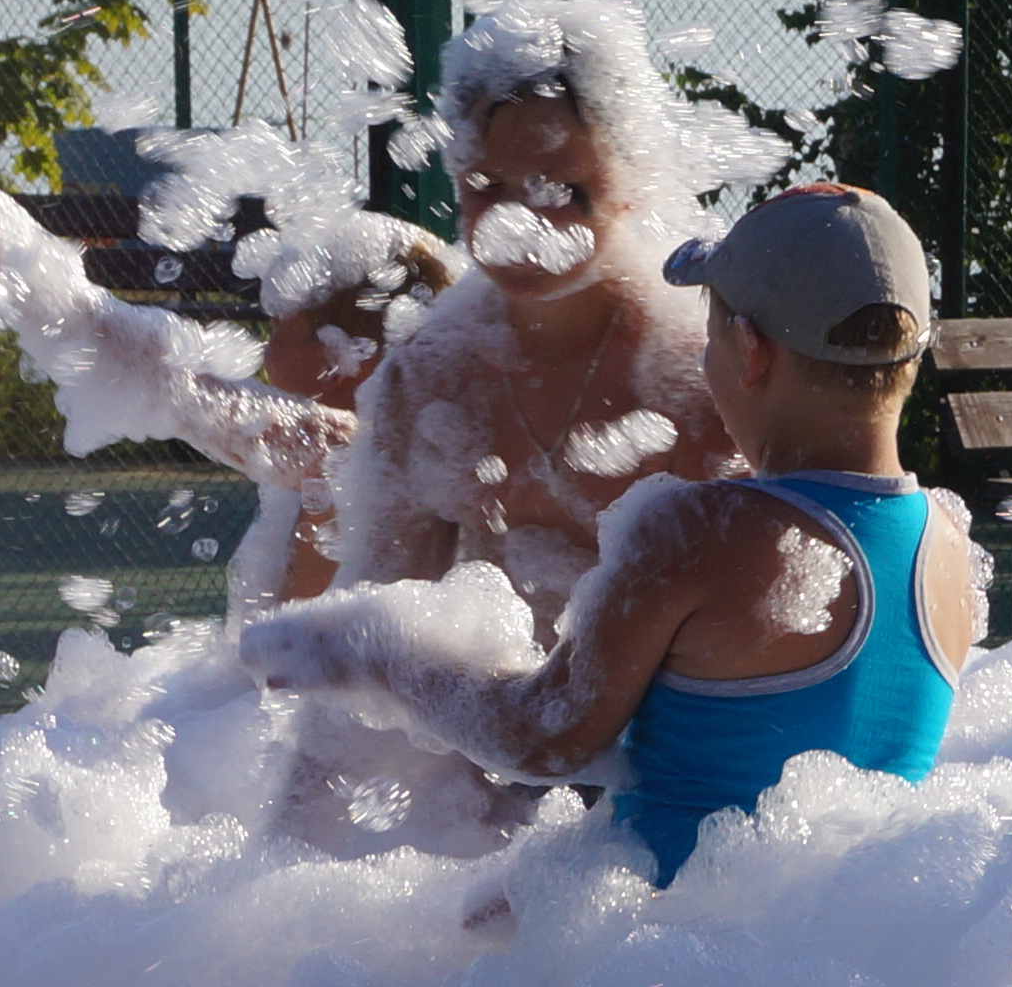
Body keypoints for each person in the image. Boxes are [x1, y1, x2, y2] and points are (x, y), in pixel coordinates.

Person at [241, 187, 974, 882]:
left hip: (648, 966)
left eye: (710, 338)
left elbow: (541, 734)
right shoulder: (948, 550)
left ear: (750, 351)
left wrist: (377, 649)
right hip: (810, 960)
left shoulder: (697, 531)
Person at [330, 0, 744, 630]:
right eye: (488, 186)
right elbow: (382, 626)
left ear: (634, 177)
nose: (520, 225)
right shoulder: (431, 375)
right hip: (496, 716)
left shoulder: (700, 373)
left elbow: (749, 635)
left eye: (561, 189)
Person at [0, 174, 459, 610]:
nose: (266, 336)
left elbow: (190, 394)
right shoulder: (384, 457)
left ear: (345, 359)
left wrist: (56, 292)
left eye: (281, 324)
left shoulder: (357, 455)